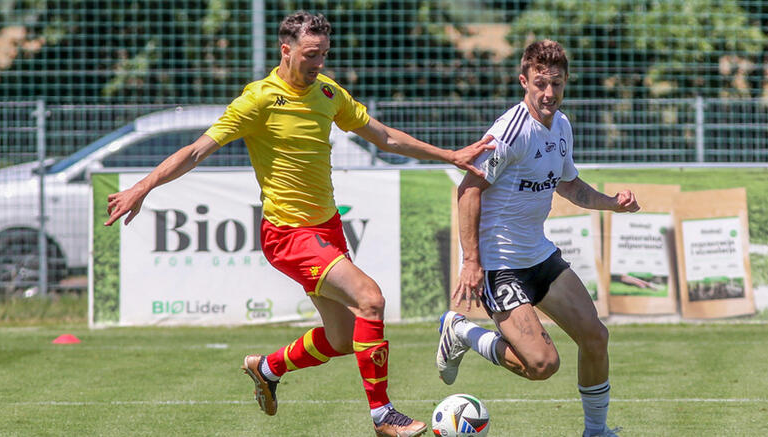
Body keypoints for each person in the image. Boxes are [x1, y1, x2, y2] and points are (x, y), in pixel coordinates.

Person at [104, 11, 493, 437]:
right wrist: (142, 187)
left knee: (343, 339)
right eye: (311, 54)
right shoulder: (259, 99)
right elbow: (196, 150)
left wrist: (451, 156)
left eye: (324, 54)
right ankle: (384, 416)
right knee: (371, 299)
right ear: (285, 49)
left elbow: (385, 137)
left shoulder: (328, 93)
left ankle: (267, 369)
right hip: (287, 235)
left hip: (326, 229)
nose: (319, 63)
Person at [436, 40, 639, 437]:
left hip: (539, 257)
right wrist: (471, 262)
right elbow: (468, 191)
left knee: (595, 336)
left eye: (557, 84)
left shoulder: (561, 126)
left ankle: (596, 432)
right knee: (543, 364)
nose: (549, 94)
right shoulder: (511, 131)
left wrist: (612, 203)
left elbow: (569, 185)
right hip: (500, 266)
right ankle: (461, 331)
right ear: (524, 82)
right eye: (541, 84)